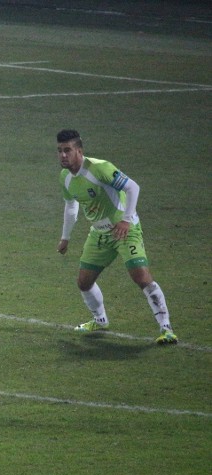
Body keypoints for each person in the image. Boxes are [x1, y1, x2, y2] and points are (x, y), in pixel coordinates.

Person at [55, 129, 178, 345]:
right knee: (84, 282)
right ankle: (100, 320)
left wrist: (126, 220)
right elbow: (70, 206)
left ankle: (166, 328)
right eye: (59, 151)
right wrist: (65, 237)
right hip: (99, 234)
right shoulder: (65, 177)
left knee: (141, 277)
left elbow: (132, 187)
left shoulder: (99, 168)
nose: (63, 155)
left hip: (124, 230)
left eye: (67, 150)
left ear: (79, 151)